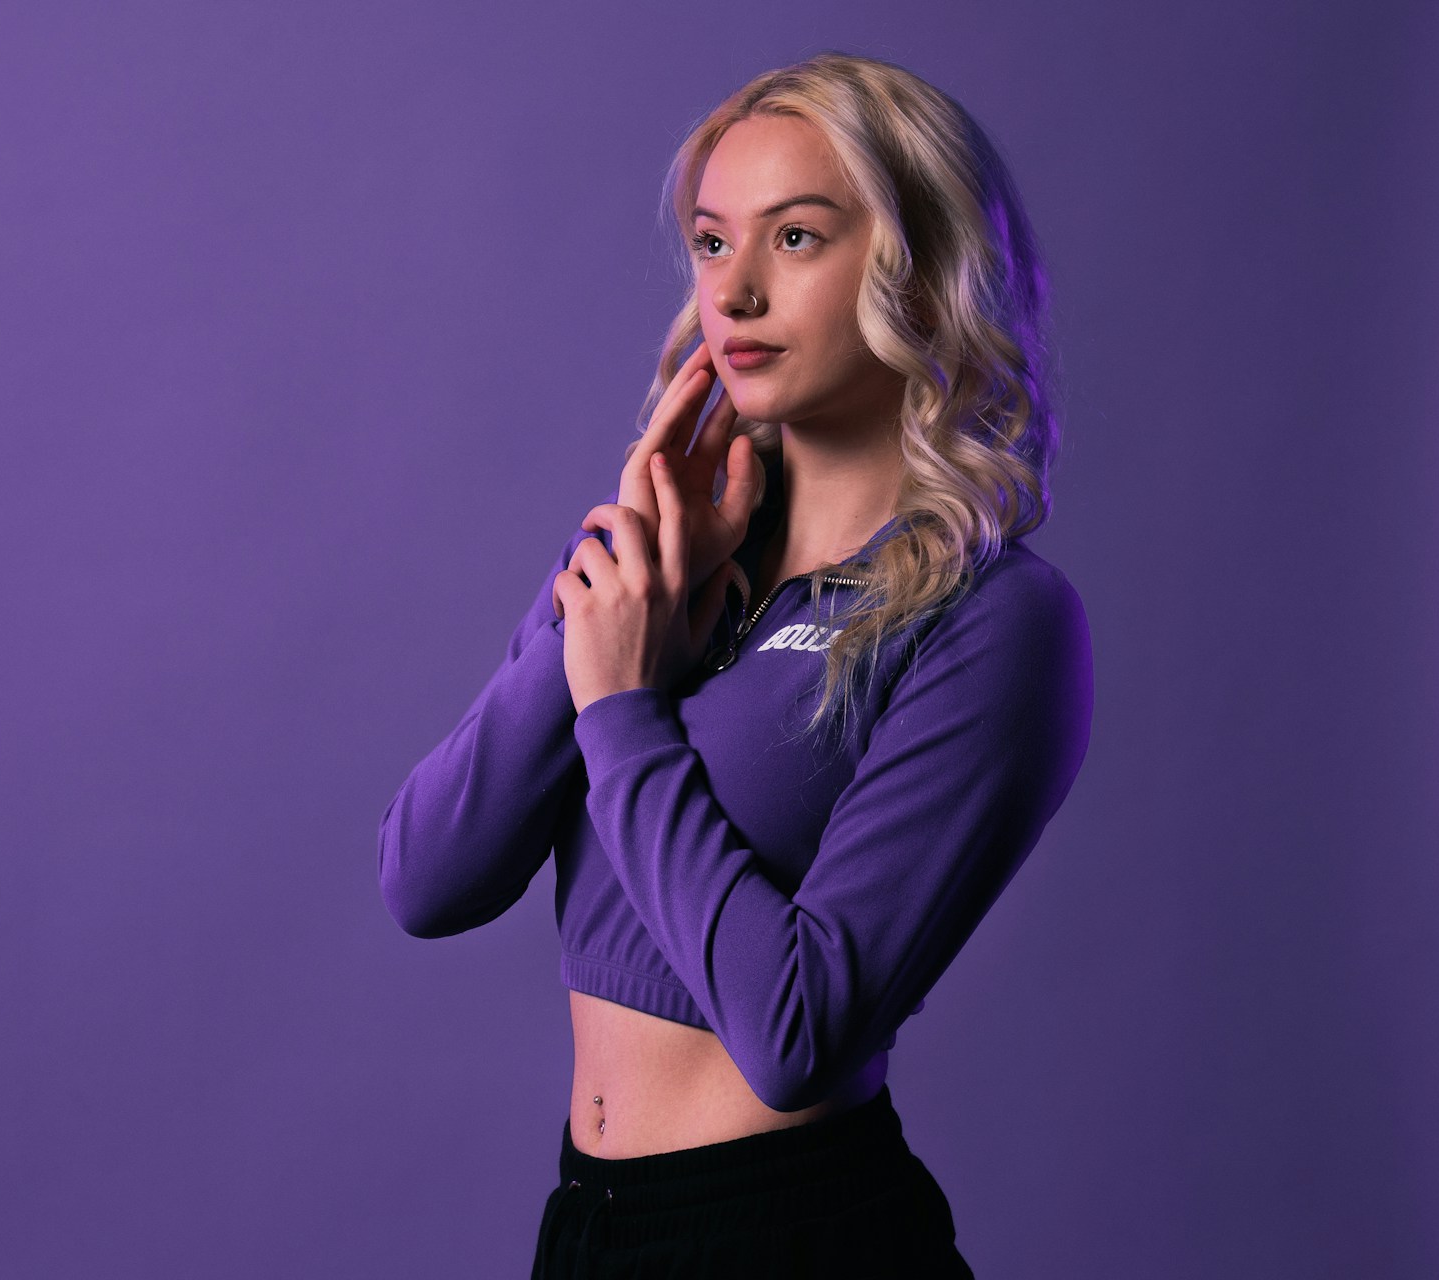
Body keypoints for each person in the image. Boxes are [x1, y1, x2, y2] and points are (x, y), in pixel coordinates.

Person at [378, 50, 1092, 1278]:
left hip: (790, 1231)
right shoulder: (652, 570)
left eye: (798, 238)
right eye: (713, 243)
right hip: (589, 1223)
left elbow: (799, 1028)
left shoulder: (994, 619)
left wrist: (622, 707)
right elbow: (427, 878)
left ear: (913, 266)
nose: (738, 293)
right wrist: (609, 596)